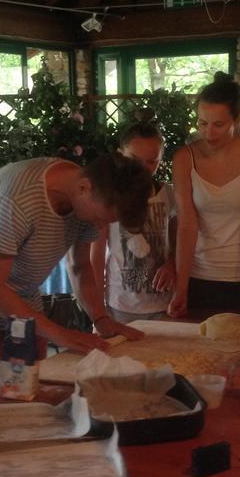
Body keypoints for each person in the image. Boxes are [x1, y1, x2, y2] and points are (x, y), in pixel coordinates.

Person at [0, 153, 153, 403]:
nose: (102, 226)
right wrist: (58, 333)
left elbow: (80, 266)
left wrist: (101, 318)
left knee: (23, 392)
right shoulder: (19, 199)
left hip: (23, 297)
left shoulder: (87, 196)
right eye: (102, 219)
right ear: (85, 188)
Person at [168, 71, 240, 319]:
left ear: (237, 119)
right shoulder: (184, 158)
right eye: (202, 123)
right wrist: (181, 289)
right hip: (199, 276)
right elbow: (187, 225)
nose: (208, 133)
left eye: (218, 125)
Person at [90, 112, 177, 324]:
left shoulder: (170, 195)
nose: (142, 168)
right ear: (120, 155)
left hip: (164, 303)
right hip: (120, 304)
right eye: (134, 160)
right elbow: (97, 252)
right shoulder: (107, 197)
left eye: (152, 161)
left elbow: (178, 240)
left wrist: (173, 263)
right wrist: (96, 306)